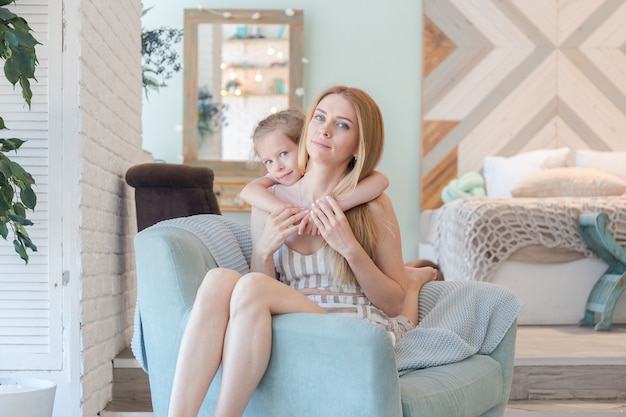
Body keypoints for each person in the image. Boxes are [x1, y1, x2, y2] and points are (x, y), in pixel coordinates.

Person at [167, 86, 436, 417]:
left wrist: (349, 247)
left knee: (250, 285)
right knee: (217, 280)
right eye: (320, 118)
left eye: (342, 125)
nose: (324, 129)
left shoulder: (373, 205)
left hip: (350, 325)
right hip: (292, 318)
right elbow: (261, 291)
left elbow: (393, 304)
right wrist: (264, 253)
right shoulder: (270, 202)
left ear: (358, 145)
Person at [239, 108, 390, 216]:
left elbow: (382, 180)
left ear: (305, 144)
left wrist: (333, 207)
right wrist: (288, 212)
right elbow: (248, 191)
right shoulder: (278, 178)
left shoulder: (332, 172)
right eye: (268, 161)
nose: (277, 167)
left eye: (284, 154)